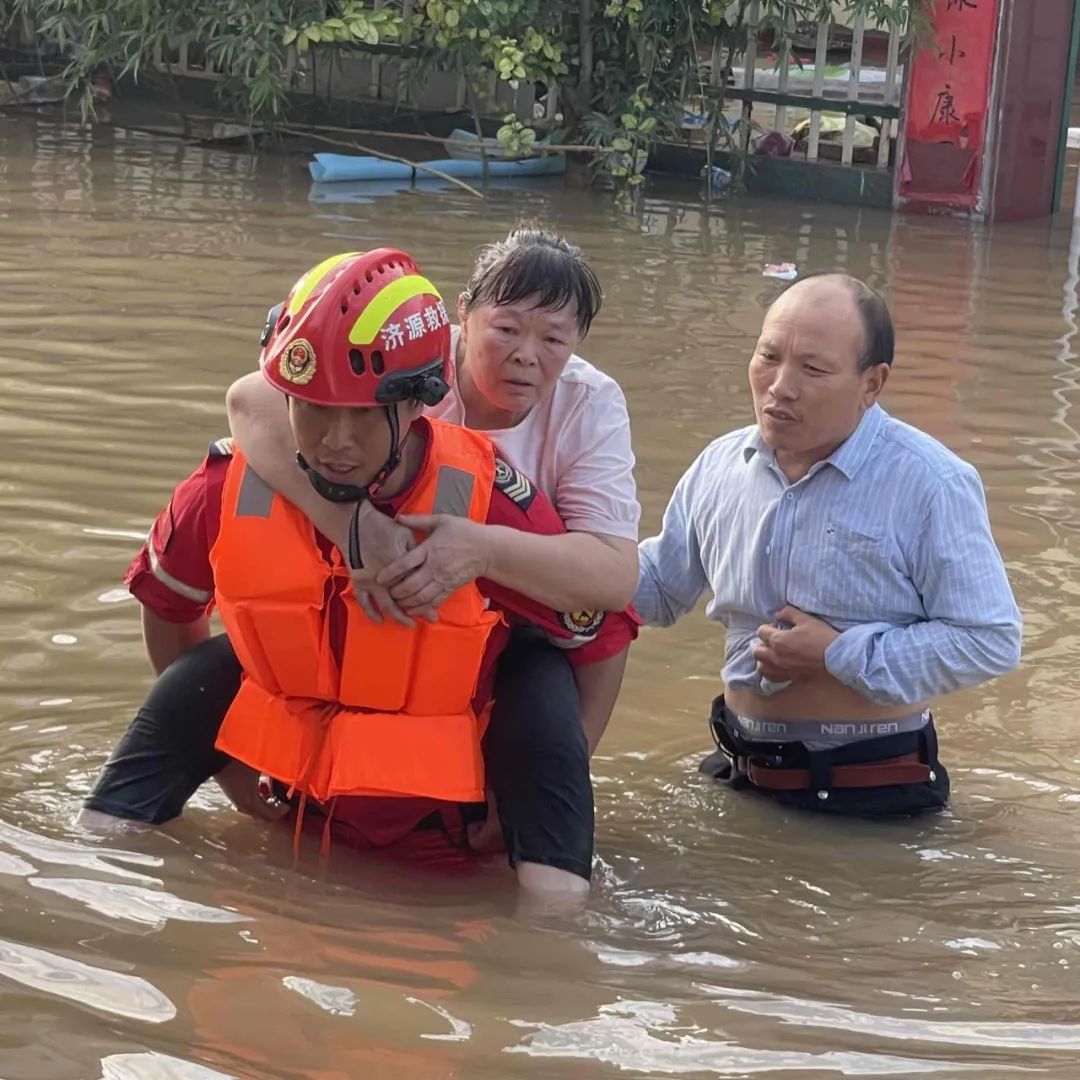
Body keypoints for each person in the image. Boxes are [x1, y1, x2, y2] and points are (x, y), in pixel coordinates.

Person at [81, 248, 637, 903]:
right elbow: (168, 604)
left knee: (541, 702)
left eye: (363, 415)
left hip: (450, 775)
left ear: (420, 407)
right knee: (143, 767)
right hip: (297, 747)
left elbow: (601, 624)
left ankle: (550, 917)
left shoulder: (489, 498)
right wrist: (230, 767)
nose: (335, 442)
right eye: (313, 408)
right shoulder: (226, 487)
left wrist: (557, 777)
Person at [224, 225, 640, 761]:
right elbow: (251, 399)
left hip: (505, 608)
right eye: (506, 329)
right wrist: (355, 528)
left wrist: (479, 550)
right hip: (378, 581)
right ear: (462, 316)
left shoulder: (591, 404)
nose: (526, 356)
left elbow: (613, 578)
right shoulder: (409, 349)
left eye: (554, 339)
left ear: (576, 341)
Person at [635, 272, 1022, 816]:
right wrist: (535, 557)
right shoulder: (721, 466)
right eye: (768, 357)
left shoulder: (930, 483)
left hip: (873, 791)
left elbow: (990, 639)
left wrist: (838, 654)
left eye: (813, 369)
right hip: (737, 771)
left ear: (872, 383)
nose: (780, 386)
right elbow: (655, 590)